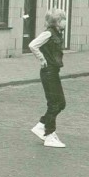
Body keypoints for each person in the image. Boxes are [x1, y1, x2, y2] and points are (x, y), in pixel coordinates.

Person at [29, 8, 68, 148]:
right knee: (54, 103)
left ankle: (41, 125)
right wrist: (42, 59)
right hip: (48, 72)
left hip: (54, 72)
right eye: (63, 19)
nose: (65, 21)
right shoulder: (48, 34)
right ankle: (49, 135)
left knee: (61, 103)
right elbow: (33, 45)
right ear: (57, 21)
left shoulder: (57, 33)